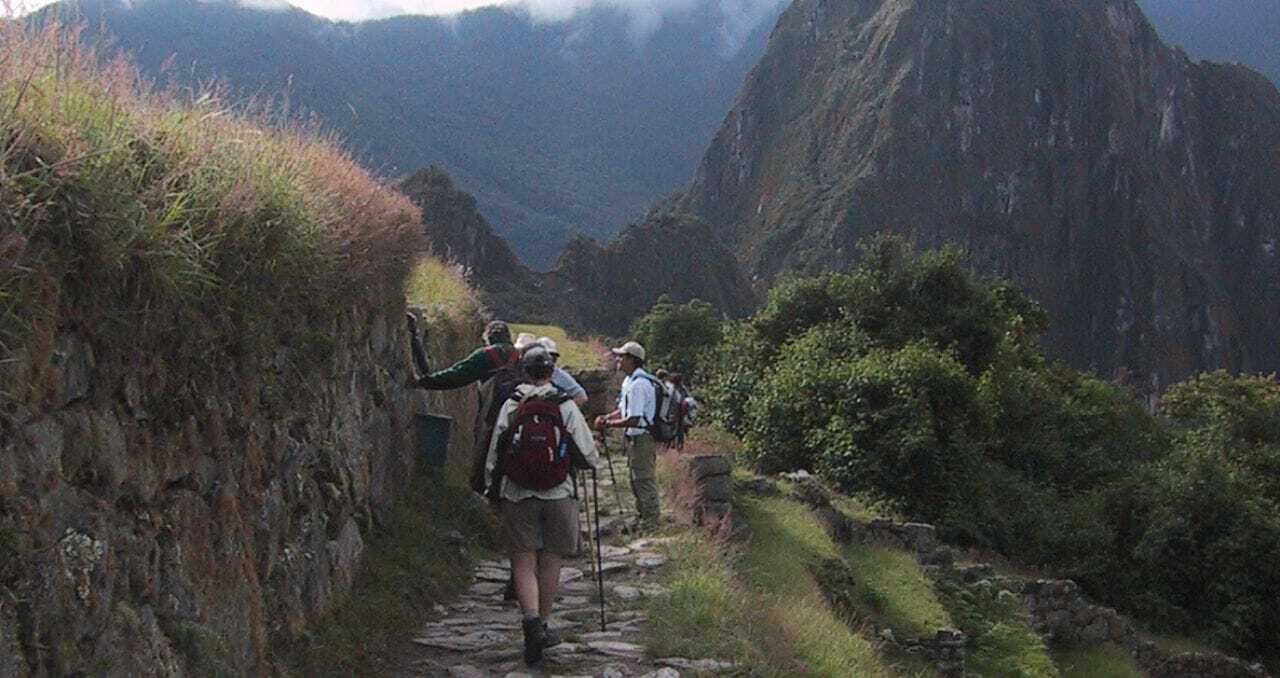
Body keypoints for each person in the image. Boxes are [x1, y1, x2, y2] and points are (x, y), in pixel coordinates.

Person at [485, 346, 600, 665]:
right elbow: (589, 454)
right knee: (551, 559)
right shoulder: (564, 405)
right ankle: (544, 625)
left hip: (517, 492)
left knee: (522, 560)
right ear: (551, 372)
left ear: (524, 371)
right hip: (558, 492)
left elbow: (495, 451)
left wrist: (491, 489)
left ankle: (530, 622)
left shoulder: (512, 403)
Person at [594, 340, 661, 531]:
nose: (618, 359)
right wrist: (607, 417)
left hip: (642, 436)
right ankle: (643, 516)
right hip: (634, 437)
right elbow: (623, 410)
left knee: (643, 478)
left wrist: (609, 424)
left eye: (622, 356)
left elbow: (634, 418)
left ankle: (651, 521)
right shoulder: (629, 381)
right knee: (635, 478)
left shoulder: (639, 384)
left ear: (632, 359)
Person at [538, 336, 589, 408]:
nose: (549, 361)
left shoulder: (559, 375)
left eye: (553, 357)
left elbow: (582, 397)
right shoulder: (525, 373)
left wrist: (560, 411)